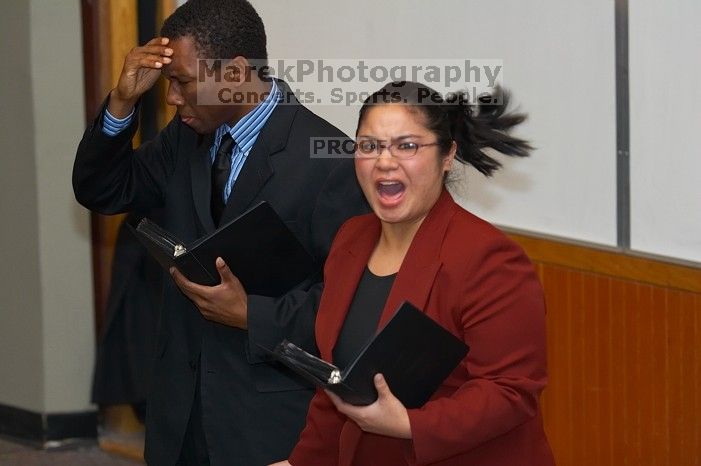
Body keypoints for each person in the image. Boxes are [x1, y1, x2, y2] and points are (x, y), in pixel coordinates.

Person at [72, 0, 367, 464]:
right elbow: (103, 190)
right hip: (178, 416)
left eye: (182, 82)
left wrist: (253, 314)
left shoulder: (329, 162)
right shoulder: (185, 136)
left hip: (264, 422)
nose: (171, 98)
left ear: (232, 73)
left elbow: (348, 306)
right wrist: (121, 103)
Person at [272, 81, 555, 466]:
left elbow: (510, 392)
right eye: (369, 146)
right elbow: (337, 383)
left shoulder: (490, 259)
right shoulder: (350, 239)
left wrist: (409, 424)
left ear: (448, 155)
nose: (385, 162)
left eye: (407, 146)